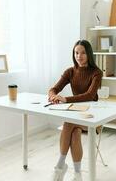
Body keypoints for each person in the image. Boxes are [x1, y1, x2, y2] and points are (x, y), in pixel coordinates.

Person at [48, 39, 102, 181]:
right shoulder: (70, 72)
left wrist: (66, 99)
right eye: (76, 52)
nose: (79, 56)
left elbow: (90, 95)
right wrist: (53, 96)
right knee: (75, 133)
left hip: (93, 116)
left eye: (83, 53)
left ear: (89, 54)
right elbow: (53, 89)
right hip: (76, 113)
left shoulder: (96, 72)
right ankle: (78, 174)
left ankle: (59, 166)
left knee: (68, 123)